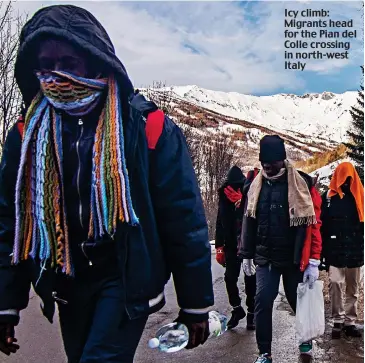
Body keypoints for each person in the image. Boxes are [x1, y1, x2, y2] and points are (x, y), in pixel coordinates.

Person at [0, 5, 214, 362]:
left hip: (124, 277)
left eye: (68, 62)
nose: (56, 75)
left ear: (95, 61)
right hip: (67, 279)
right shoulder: (27, 135)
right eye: (46, 64)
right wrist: (6, 303)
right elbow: (10, 222)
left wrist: (195, 304)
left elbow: (183, 218)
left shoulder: (146, 127)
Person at [238, 135, 322, 363]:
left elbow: (313, 225)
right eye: (264, 164)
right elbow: (248, 220)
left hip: (294, 258)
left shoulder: (301, 184)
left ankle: (305, 339)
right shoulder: (255, 186)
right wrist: (246, 255)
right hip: (266, 257)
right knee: (263, 300)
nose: (268, 168)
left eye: (272, 164)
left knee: (299, 302)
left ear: (282, 160)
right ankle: (264, 352)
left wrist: (314, 260)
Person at [321, 162, 364, 339]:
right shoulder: (328, 198)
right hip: (334, 249)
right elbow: (322, 225)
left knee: (353, 287)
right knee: (335, 284)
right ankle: (337, 320)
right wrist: (322, 253)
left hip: (355, 248)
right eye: (343, 177)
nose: (346, 181)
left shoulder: (360, 196)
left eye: (349, 178)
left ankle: (350, 321)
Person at [215, 166, 256, 330]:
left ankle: (252, 312)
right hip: (231, 244)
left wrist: (243, 203)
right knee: (229, 278)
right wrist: (219, 246)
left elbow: (254, 218)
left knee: (250, 278)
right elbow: (220, 222)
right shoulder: (224, 197)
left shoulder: (249, 194)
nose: (232, 189)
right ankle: (237, 308)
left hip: (247, 243)